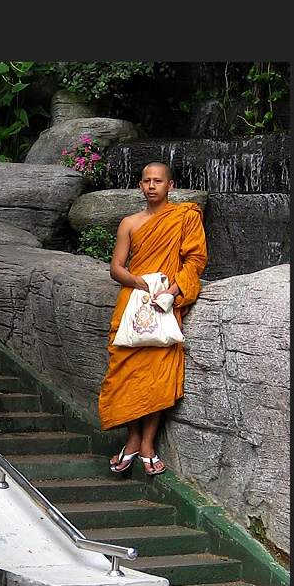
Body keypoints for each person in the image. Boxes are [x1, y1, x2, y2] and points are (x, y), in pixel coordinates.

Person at [98, 161, 208, 475]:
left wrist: (171, 292)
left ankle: (148, 443)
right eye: (146, 181)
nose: (151, 186)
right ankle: (132, 440)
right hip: (133, 302)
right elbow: (117, 268)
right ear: (140, 185)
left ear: (170, 186)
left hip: (165, 304)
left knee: (158, 375)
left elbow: (195, 261)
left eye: (158, 181)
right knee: (126, 371)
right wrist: (141, 283)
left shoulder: (184, 217)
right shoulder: (129, 223)